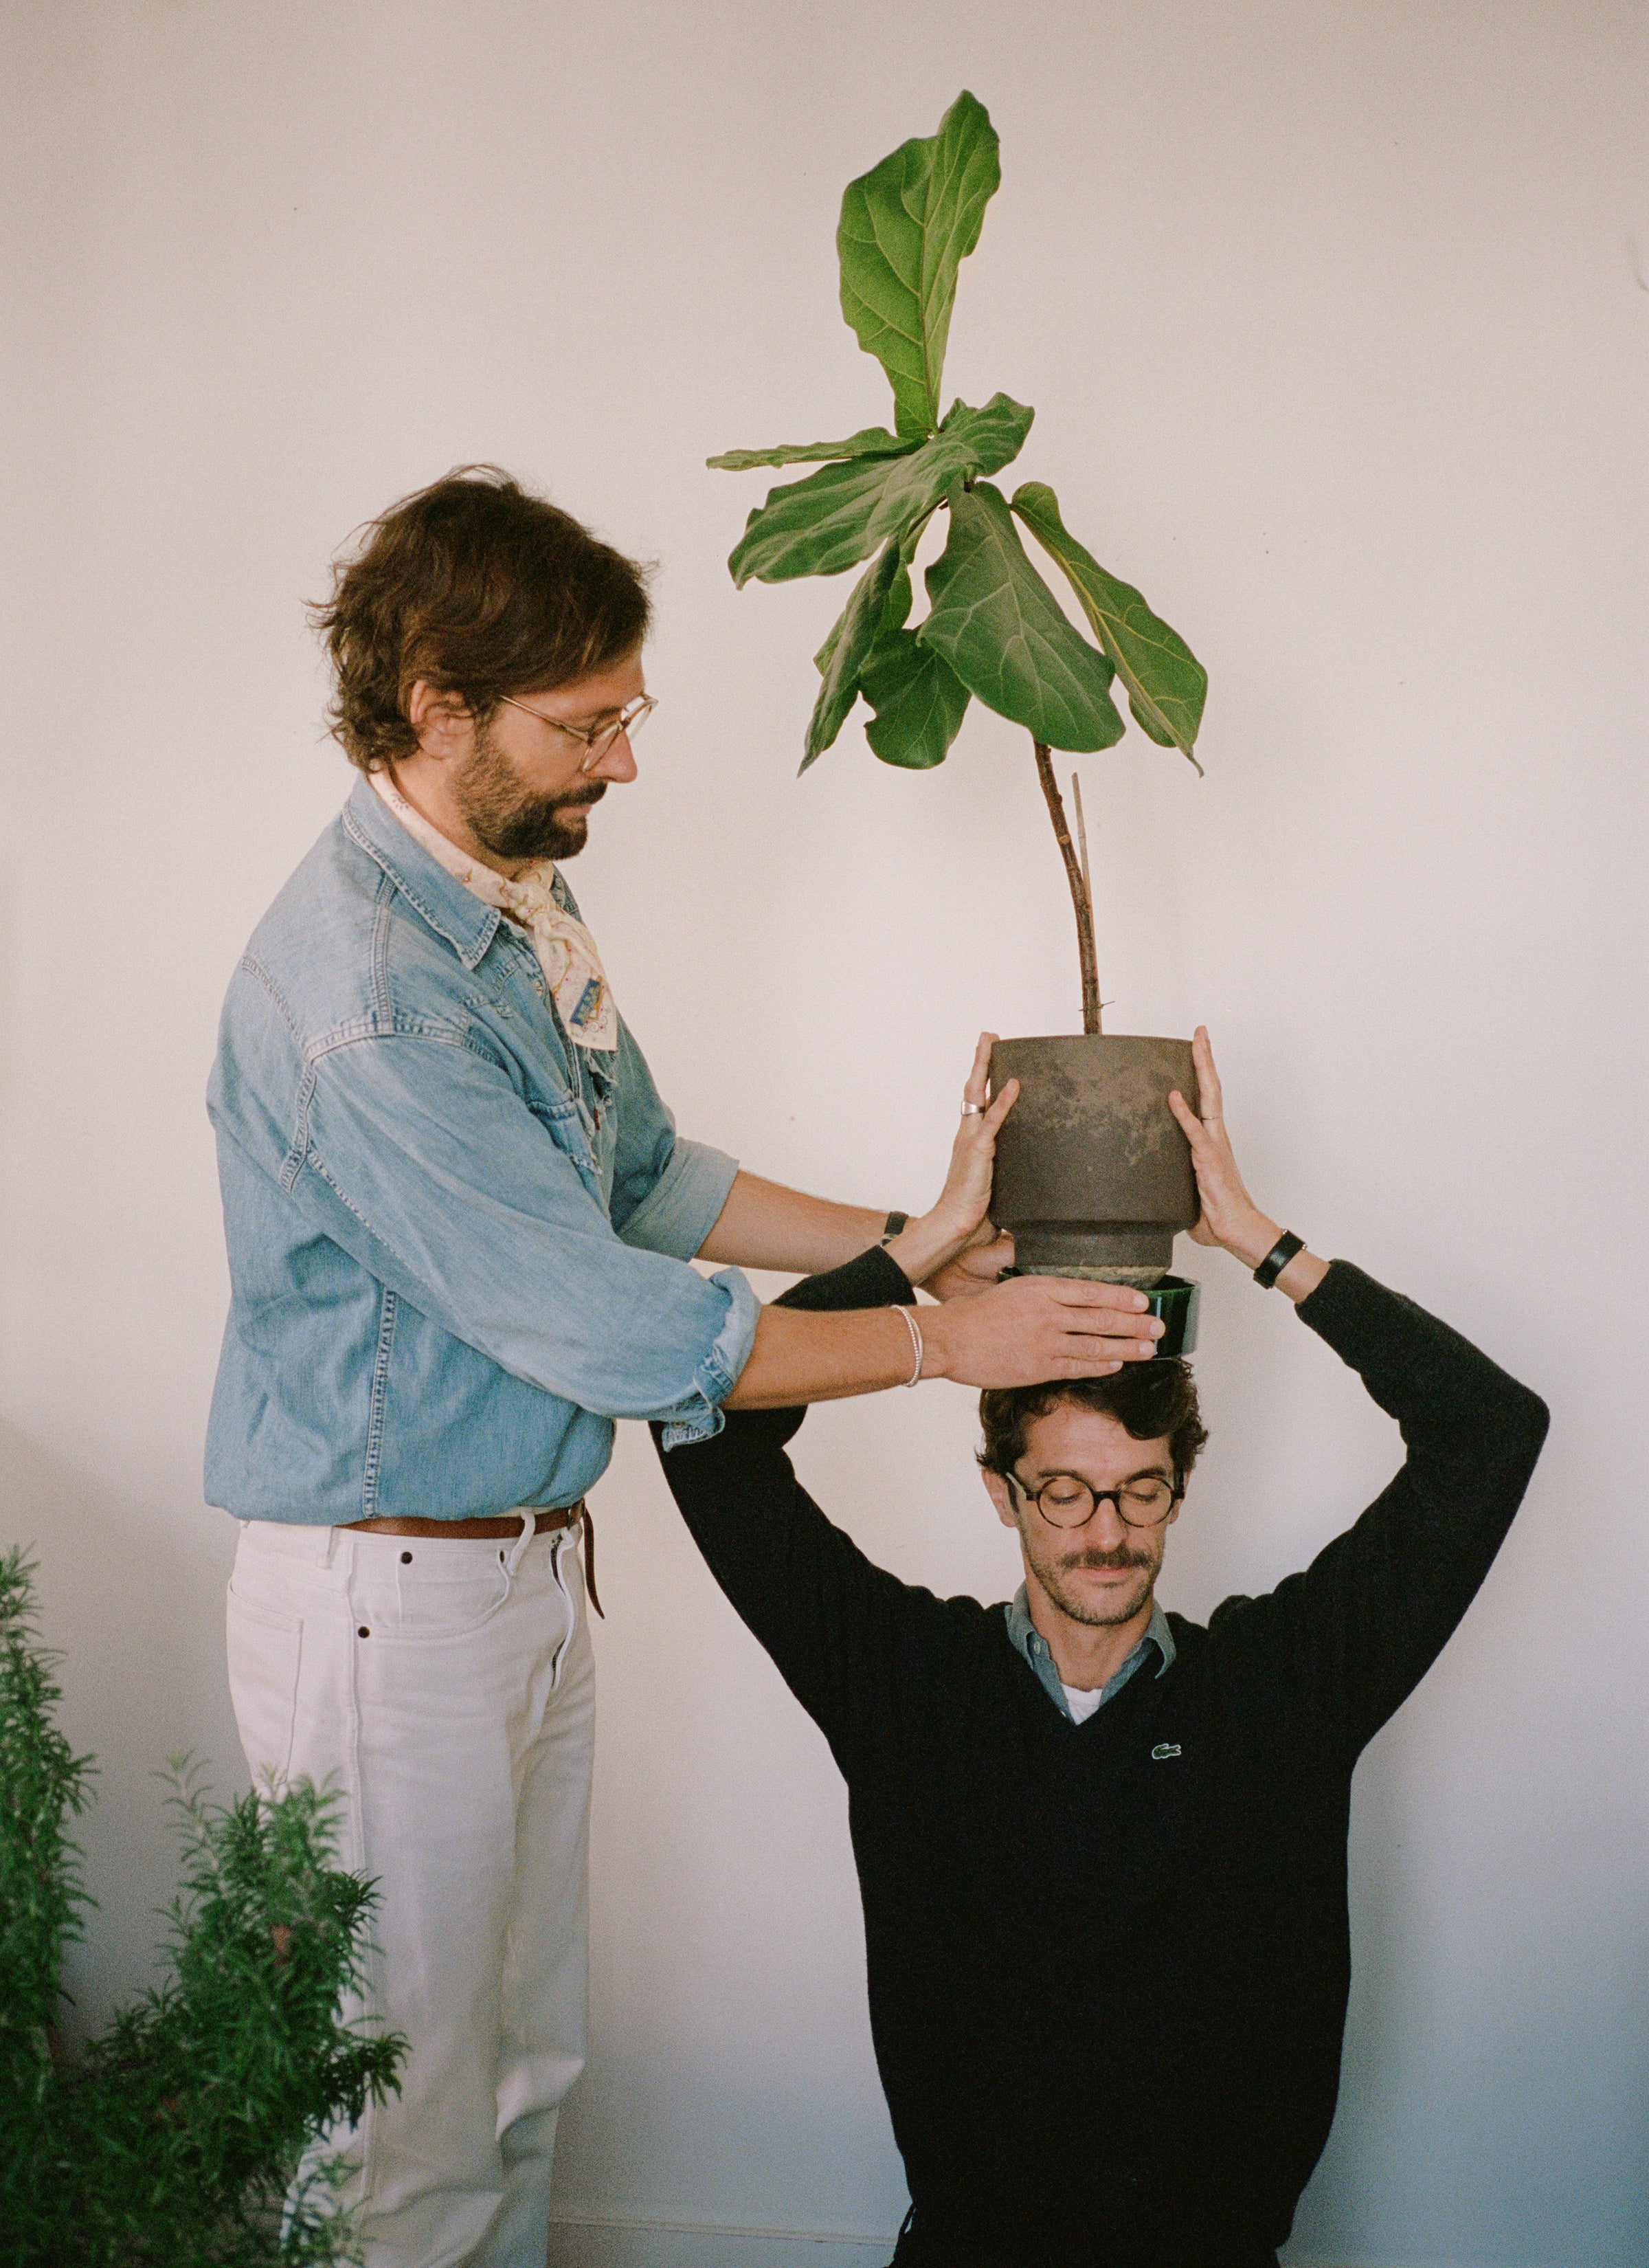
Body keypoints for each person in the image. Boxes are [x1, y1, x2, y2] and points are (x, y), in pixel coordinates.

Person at [205, 466, 1164, 2268]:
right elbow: (604, 1316)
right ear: (436, 704)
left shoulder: (506, 898)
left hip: (521, 1566)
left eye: (626, 715)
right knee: (399, 2110)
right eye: (588, 724)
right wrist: (941, 1336)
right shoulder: (368, 999)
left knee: (518, 2075)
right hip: (381, 1603)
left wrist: (923, 1221)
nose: (625, 762)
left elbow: (646, 1171)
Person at [654, 1027, 1549, 2268]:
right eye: (1064, 1492)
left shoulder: (1284, 1691)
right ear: (1002, 1493)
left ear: (1181, 1490)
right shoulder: (908, 1687)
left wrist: (1256, 1242)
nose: (1106, 1533)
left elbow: (1492, 1432)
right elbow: (703, 1432)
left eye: (1139, 1490)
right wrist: (920, 1261)